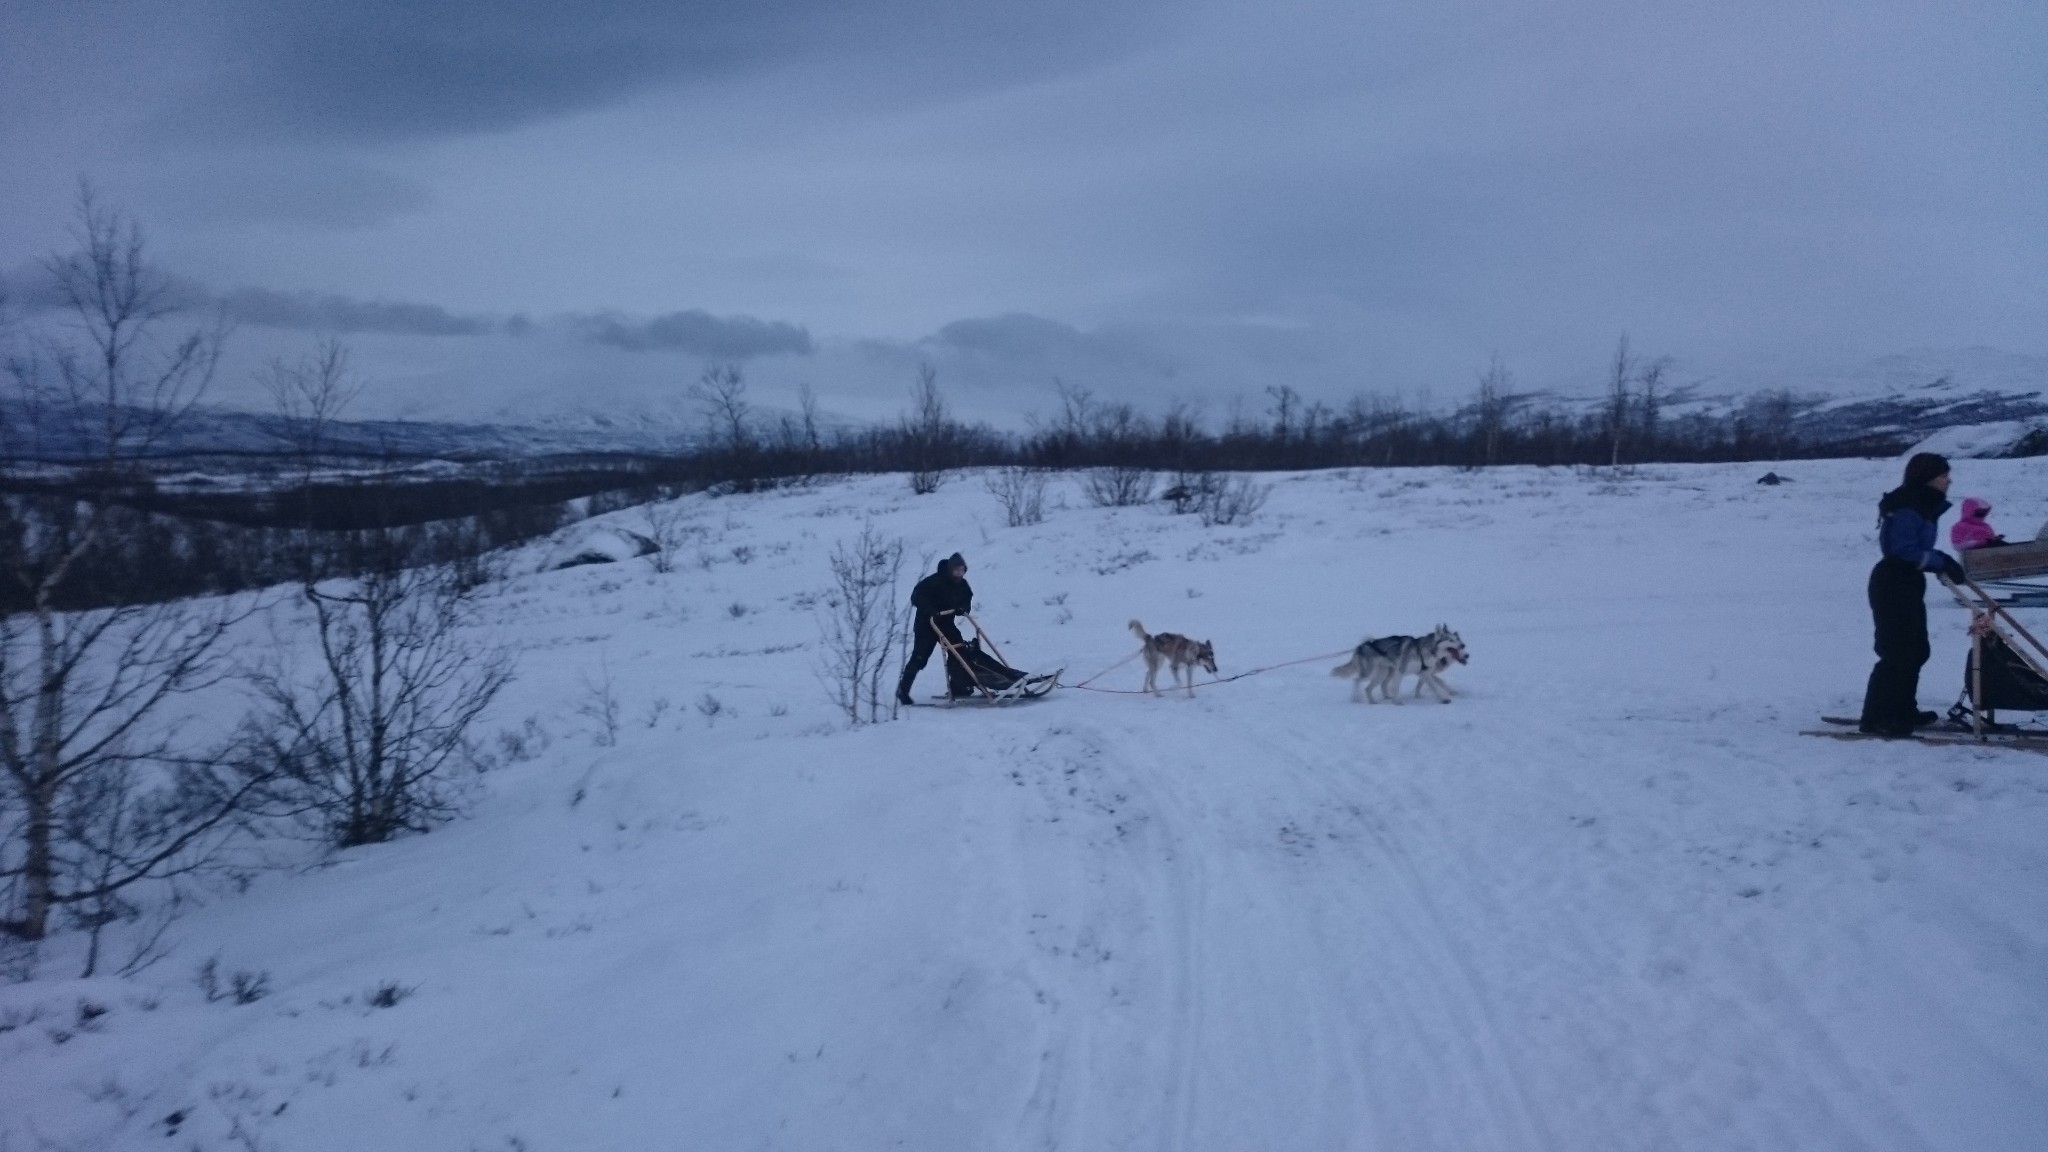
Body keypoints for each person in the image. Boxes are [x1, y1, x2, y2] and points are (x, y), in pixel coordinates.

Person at [1859, 453, 1965, 738]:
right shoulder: (1909, 505)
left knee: (1916, 649)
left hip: (1907, 582)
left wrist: (1940, 561)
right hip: (1892, 582)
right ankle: (1877, 717)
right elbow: (1902, 550)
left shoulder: (1922, 503)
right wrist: (1940, 561)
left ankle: (1902, 708)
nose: (1949, 481)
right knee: (1897, 650)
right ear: (1928, 478)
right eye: (1944, 476)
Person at [896, 553, 972, 706]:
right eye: (956, 571)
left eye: (962, 571)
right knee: (920, 657)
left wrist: (963, 608)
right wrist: (929, 609)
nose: (959, 574)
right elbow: (916, 595)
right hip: (927, 623)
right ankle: (903, 690)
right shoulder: (934, 581)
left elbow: (967, 599)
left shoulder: (962, 585)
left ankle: (958, 686)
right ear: (950, 570)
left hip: (946, 622)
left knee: (959, 650)